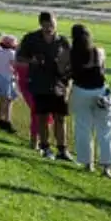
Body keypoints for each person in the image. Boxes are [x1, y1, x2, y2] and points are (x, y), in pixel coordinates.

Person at [16, 12, 73, 160]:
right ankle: (45, 147)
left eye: (52, 25)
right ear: (40, 24)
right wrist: (32, 60)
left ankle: (62, 150)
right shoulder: (31, 39)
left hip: (59, 85)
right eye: (46, 25)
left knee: (60, 118)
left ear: (56, 23)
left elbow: (70, 63)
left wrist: (67, 80)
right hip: (39, 83)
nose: (49, 28)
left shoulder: (63, 41)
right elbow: (19, 57)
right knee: (42, 117)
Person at [68, 24, 111, 177]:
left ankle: (88, 163)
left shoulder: (71, 53)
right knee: (105, 129)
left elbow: (64, 70)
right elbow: (102, 69)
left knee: (83, 127)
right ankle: (107, 166)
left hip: (80, 91)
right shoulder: (98, 51)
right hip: (100, 91)